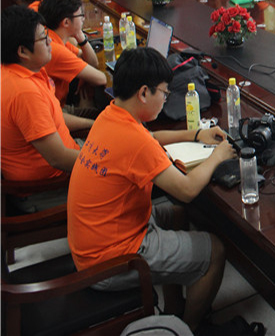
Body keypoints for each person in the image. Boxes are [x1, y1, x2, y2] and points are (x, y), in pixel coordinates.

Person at [67, 47, 237, 332]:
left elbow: (151, 137)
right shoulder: (133, 141)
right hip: (112, 262)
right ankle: (187, 328)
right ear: (144, 93)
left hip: (93, 243)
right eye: (165, 93)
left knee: (178, 215)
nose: (166, 99)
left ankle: (174, 307)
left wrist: (197, 134)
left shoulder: (111, 115)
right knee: (215, 251)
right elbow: (186, 189)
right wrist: (219, 155)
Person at [1, 6, 89, 187]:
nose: (50, 41)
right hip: (54, 181)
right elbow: (59, 158)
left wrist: (93, 125)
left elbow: (52, 117)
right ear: (23, 51)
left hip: (71, 153)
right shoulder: (25, 93)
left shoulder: (20, 70)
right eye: (43, 38)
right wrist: (108, 165)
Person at [39, 0, 107, 105]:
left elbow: (93, 63)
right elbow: (101, 79)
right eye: (80, 16)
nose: (83, 19)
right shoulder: (55, 50)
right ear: (66, 22)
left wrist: (81, 38)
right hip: (57, 111)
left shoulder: (53, 37)